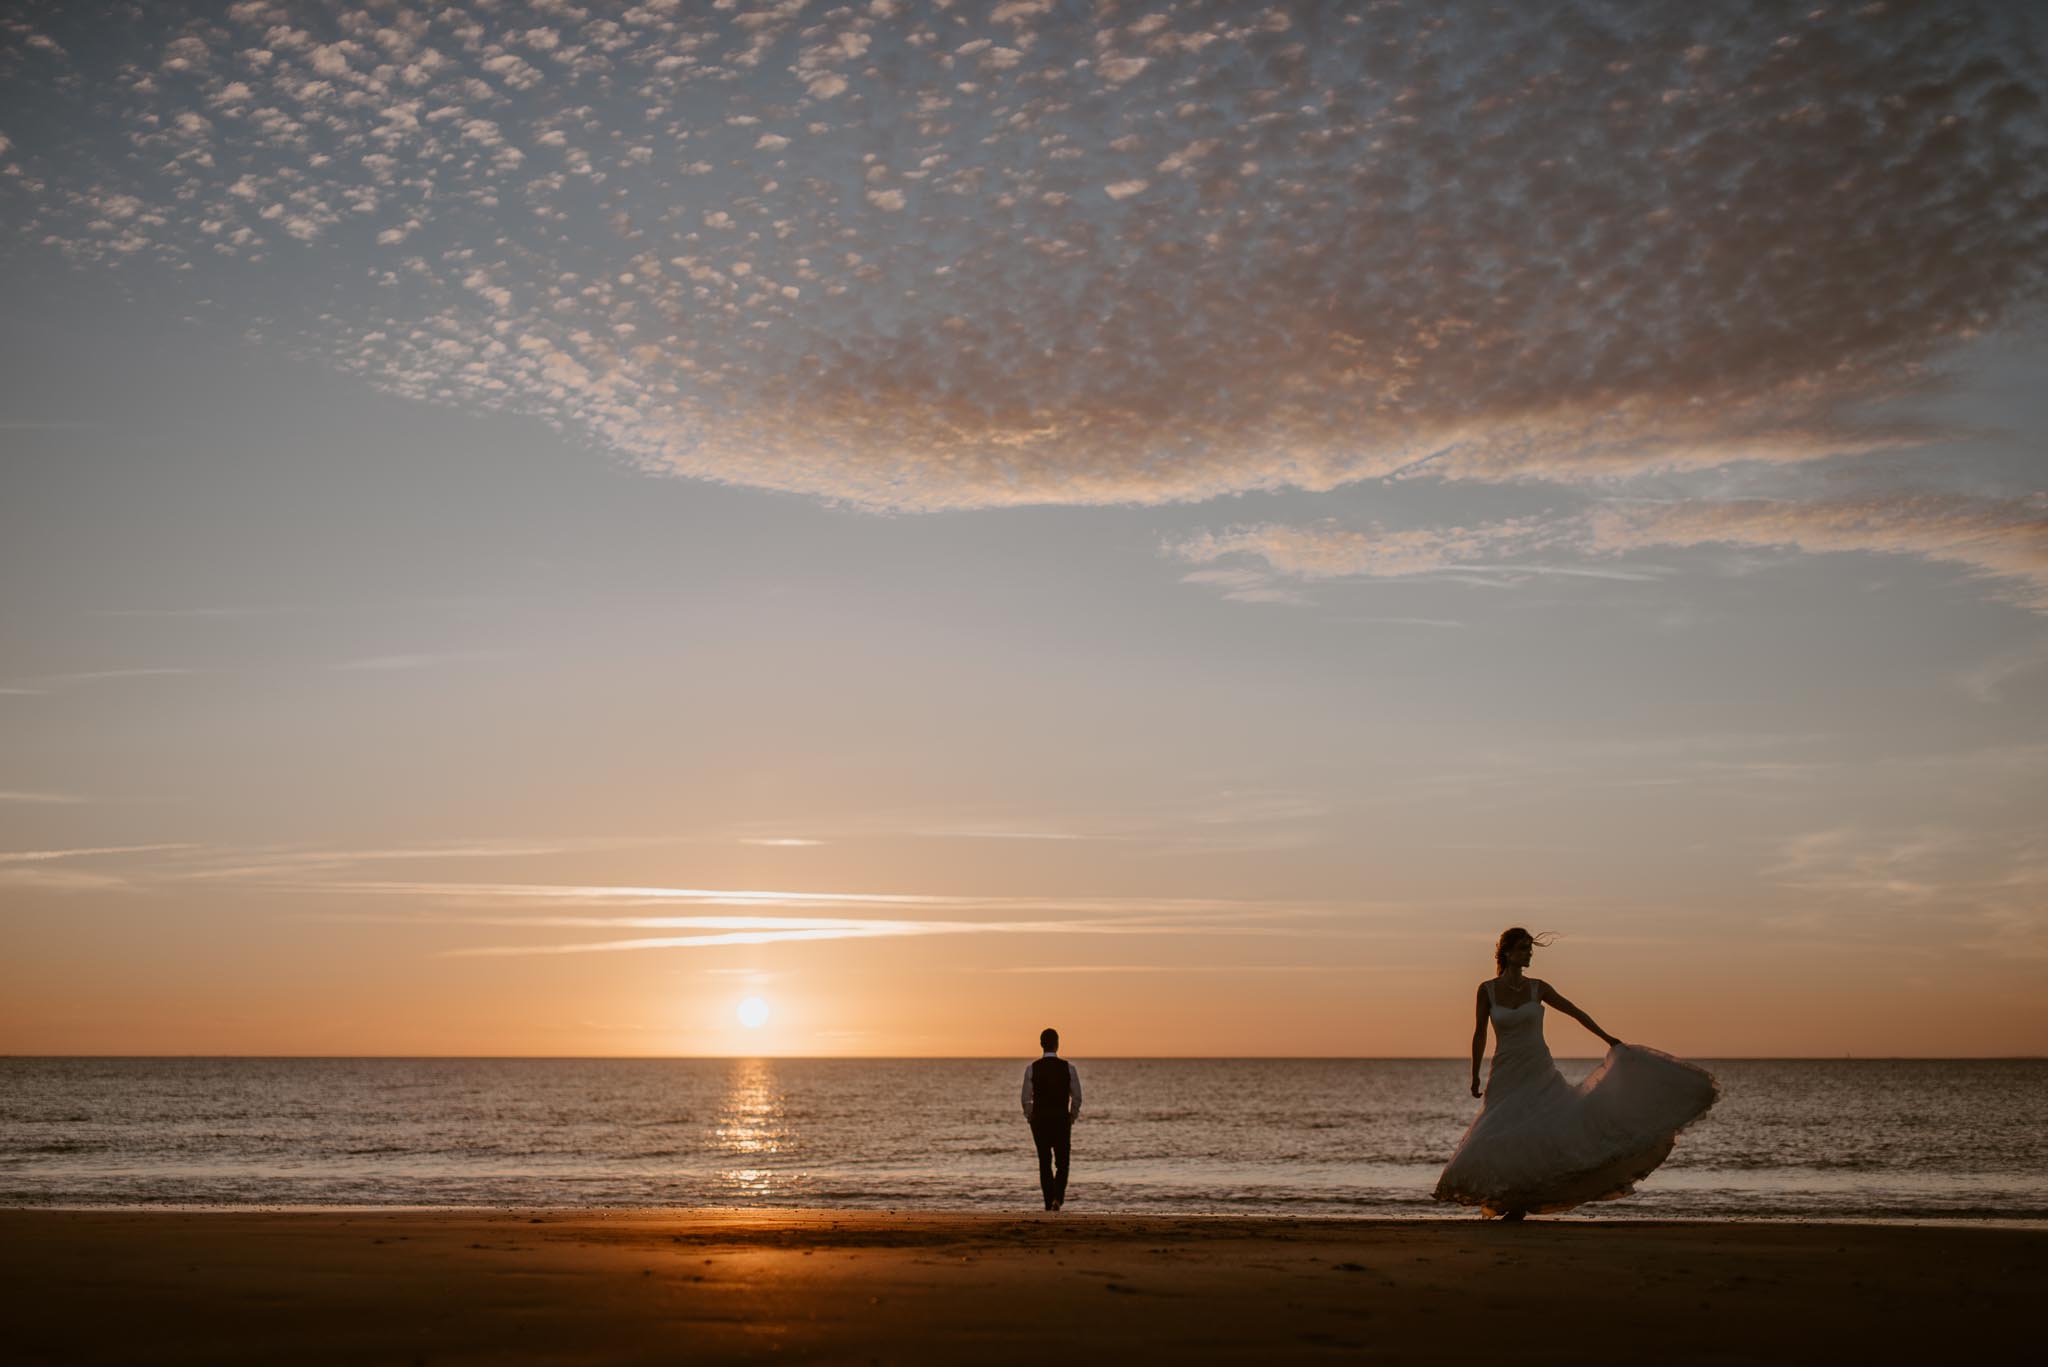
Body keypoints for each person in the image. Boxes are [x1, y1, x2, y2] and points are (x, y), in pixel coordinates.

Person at [1434, 927, 1717, 1220]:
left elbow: (1574, 1011)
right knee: (1501, 1131)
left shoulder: (1538, 987)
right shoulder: (1487, 989)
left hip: (1537, 1068)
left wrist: (1608, 1039)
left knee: (1539, 1132)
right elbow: (1479, 1033)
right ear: (1507, 953)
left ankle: (1519, 1203)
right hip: (1505, 1070)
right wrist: (1475, 1075)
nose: (1529, 953)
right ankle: (1510, 1197)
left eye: (1530, 948)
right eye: (1523, 948)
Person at [1021, 1026, 1082, 1211]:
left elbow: (1025, 1098)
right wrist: (1072, 1115)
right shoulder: (1068, 1068)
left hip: (1040, 1120)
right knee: (1063, 1162)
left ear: (1041, 1044)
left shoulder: (1032, 1068)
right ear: (1057, 1044)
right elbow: (1077, 1096)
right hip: (1061, 1119)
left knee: (1044, 1161)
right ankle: (1058, 1198)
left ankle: (1049, 1202)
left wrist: (1030, 1115)